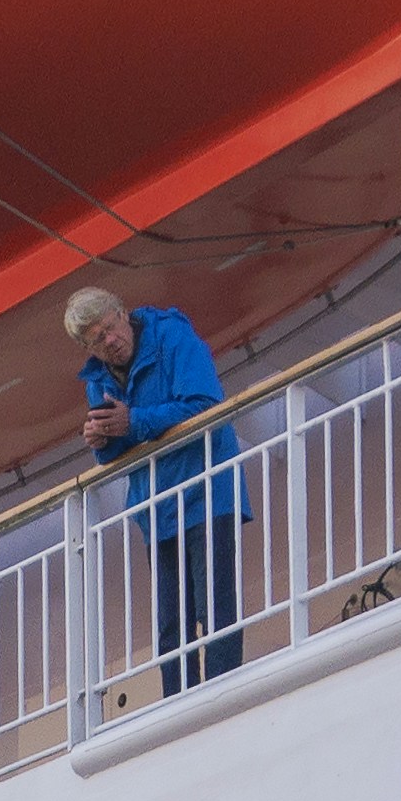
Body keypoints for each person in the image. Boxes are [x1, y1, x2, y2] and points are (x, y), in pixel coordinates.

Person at [66, 286, 247, 695]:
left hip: (207, 489)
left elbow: (206, 405)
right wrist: (102, 441)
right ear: (89, 348)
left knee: (214, 606)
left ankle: (224, 694)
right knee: (171, 625)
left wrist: (132, 422)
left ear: (122, 313)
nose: (111, 341)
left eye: (111, 328)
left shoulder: (172, 336)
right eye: (98, 339)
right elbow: (118, 448)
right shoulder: (97, 380)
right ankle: (178, 703)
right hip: (157, 507)